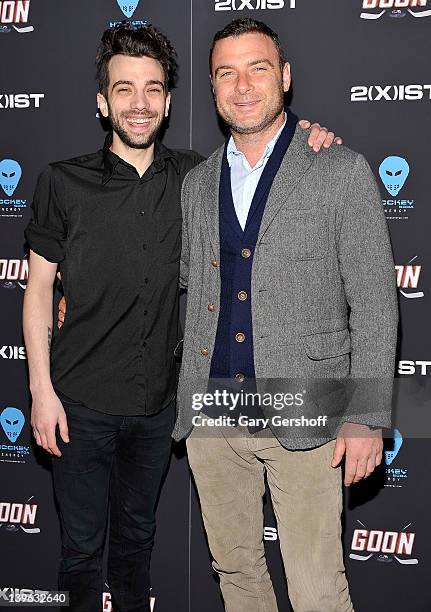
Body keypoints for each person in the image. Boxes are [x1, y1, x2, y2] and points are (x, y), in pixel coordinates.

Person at [23, 22, 338, 612]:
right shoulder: (61, 182)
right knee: (81, 550)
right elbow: (38, 289)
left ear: (168, 101)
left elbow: (266, 154)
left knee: (138, 544)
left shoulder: (200, 180)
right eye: (124, 89)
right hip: (77, 404)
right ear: (102, 101)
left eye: (152, 88)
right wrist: (40, 391)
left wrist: (311, 136)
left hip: (159, 409)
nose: (138, 103)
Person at [173, 18, 398, 612]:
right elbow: (190, 289)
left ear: (286, 77)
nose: (242, 85)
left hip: (307, 412)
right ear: (213, 87)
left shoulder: (339, 170)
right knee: (238, 577)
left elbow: (376, 299)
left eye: (258, 68)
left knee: (318, 589)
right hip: (214, 416)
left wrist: (366, 416)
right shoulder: (196, 186)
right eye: (227, 72)